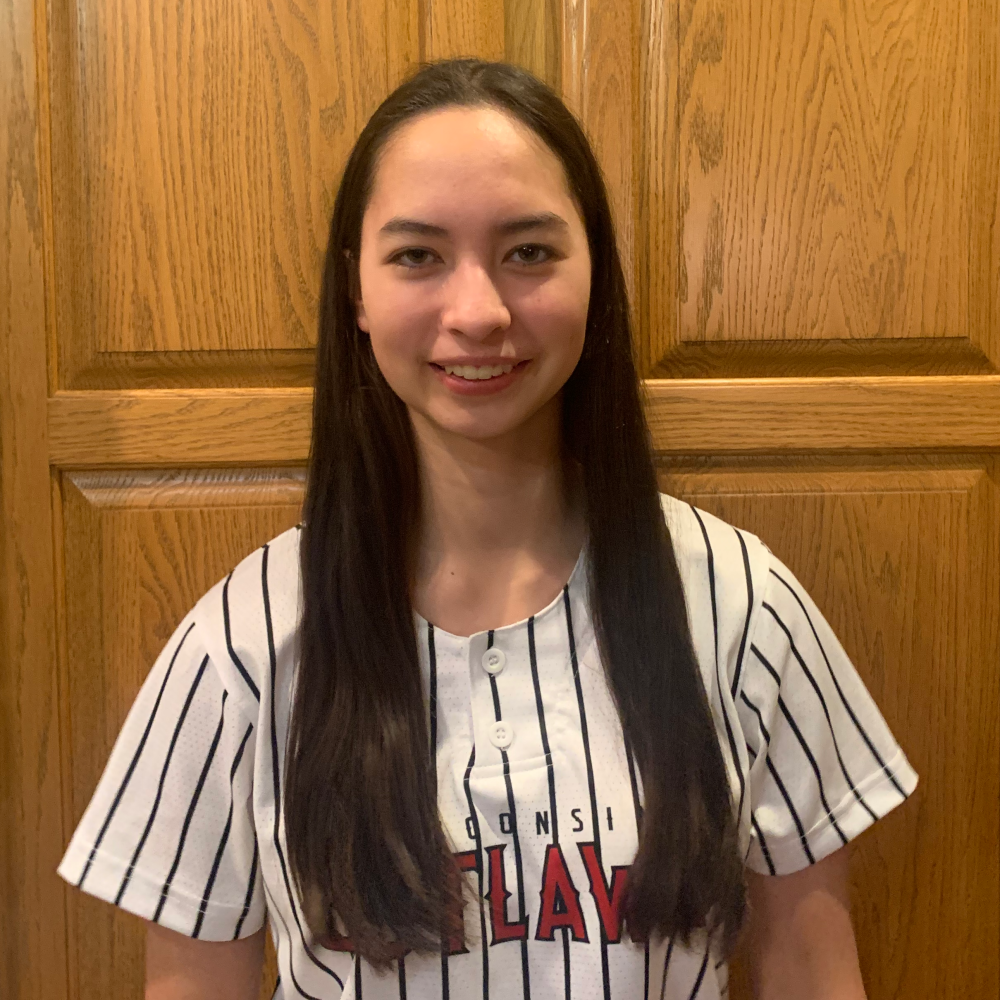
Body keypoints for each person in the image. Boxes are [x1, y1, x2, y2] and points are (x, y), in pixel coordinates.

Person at [58, 58, 918, 1000]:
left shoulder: (742, 605)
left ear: (596, 274)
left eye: (530, 252)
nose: (479, 313)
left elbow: (811, 968)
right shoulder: (243, 645)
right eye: (418, 256)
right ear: (356, 292)